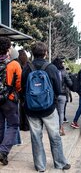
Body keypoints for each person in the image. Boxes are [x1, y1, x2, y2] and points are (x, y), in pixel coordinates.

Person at [21, 42, 70, 172]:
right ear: (45, 53)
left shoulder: (26, 68)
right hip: (48, 109)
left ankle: (40, 166)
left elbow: (22, 88)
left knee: (36, 137)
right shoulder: (51, 68)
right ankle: (60, 163)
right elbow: (59, 90)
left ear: (32, 53)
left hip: (31, 109)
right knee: (54, 136)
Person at [0, 37, 22, 165]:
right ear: (8, 49)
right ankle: (3, 151)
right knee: (13, 125)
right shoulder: (14, 64)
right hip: (9, 99)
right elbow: (19, 84)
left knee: (1, 126)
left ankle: (2, 151)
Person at [52, 57, 72, 136]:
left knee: (54, 112)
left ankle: (54, 128)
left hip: (54, 95)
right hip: (63, 94)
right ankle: (60, 129)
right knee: (61, 112)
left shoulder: (52, 71)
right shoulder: (64, 72)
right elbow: (70, 83)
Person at [18, 49, 30, 131]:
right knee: (27, 108)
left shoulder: (17, 64)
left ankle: (21, 125)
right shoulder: (29, 65)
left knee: (21, 108)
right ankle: (26, 125)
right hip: (27, 89)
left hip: (20, 89)